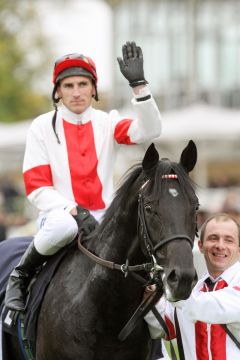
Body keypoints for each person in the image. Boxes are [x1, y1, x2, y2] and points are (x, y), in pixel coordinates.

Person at [3, 41, 162, 313]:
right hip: (58, 215)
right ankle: (20, 276)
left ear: (93, 89)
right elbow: (36, 185)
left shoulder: (108, 122)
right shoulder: (41, 127)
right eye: (68, 86)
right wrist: (72, 210)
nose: (76, 93)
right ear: (58, 91)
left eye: (83, 84)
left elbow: (150, 131)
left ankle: (153, 327)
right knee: (64, 226)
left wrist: (140, 87)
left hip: (103, 216)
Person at [145, 213, 240, 359]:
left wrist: (170, 285)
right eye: (213, 238)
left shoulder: (188, 295)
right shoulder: (194, 291)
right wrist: (150, 297)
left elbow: (211, 307)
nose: (220, 246)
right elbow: (163, 328)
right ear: (200, 246)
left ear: (239, 249)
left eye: (229, 240)